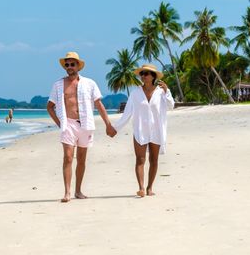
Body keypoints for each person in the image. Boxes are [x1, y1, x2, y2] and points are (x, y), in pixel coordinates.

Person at [46, 51, 116, 203]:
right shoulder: (58, 85)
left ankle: (78, 190)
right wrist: (60, 123)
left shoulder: (89, 83)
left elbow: (99, 104)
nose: (69, 67)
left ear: (78, 66)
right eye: (67, 64)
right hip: (68, 124)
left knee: (82, 159)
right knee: (68, 158)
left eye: (72, 64)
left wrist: (108, 125)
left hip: (86, 124)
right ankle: (67, 192)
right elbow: (50, 106)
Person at [111, 64, 174, 198]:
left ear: (153, 76)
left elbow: (171, 105)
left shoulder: (161, 92)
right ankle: (140, 188)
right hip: (140, 130)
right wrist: (115, 128)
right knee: (140, 159)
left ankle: (149, 187)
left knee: (154, 159)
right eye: (142, 73)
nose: (143, 76)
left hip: (157, 130)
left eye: (146, 73)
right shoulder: (135, 93)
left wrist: (167, 91)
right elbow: (127, 113)